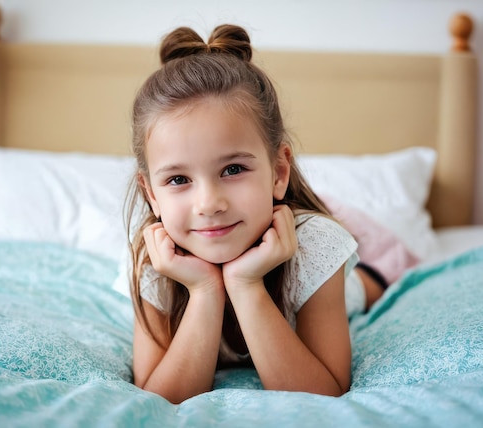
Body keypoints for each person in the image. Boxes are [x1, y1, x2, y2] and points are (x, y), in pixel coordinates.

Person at [124, 24, 387, 404]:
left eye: (232, 170)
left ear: (279, 172)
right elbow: (159, 397)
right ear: (151, 194)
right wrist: (204, 289)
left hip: (336, 278)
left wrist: (246, 286)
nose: (209, 203)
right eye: (179, 179)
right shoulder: (152, 258)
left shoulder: (315, 245)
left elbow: (324, 394)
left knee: (364, 286)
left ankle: (372, 267)